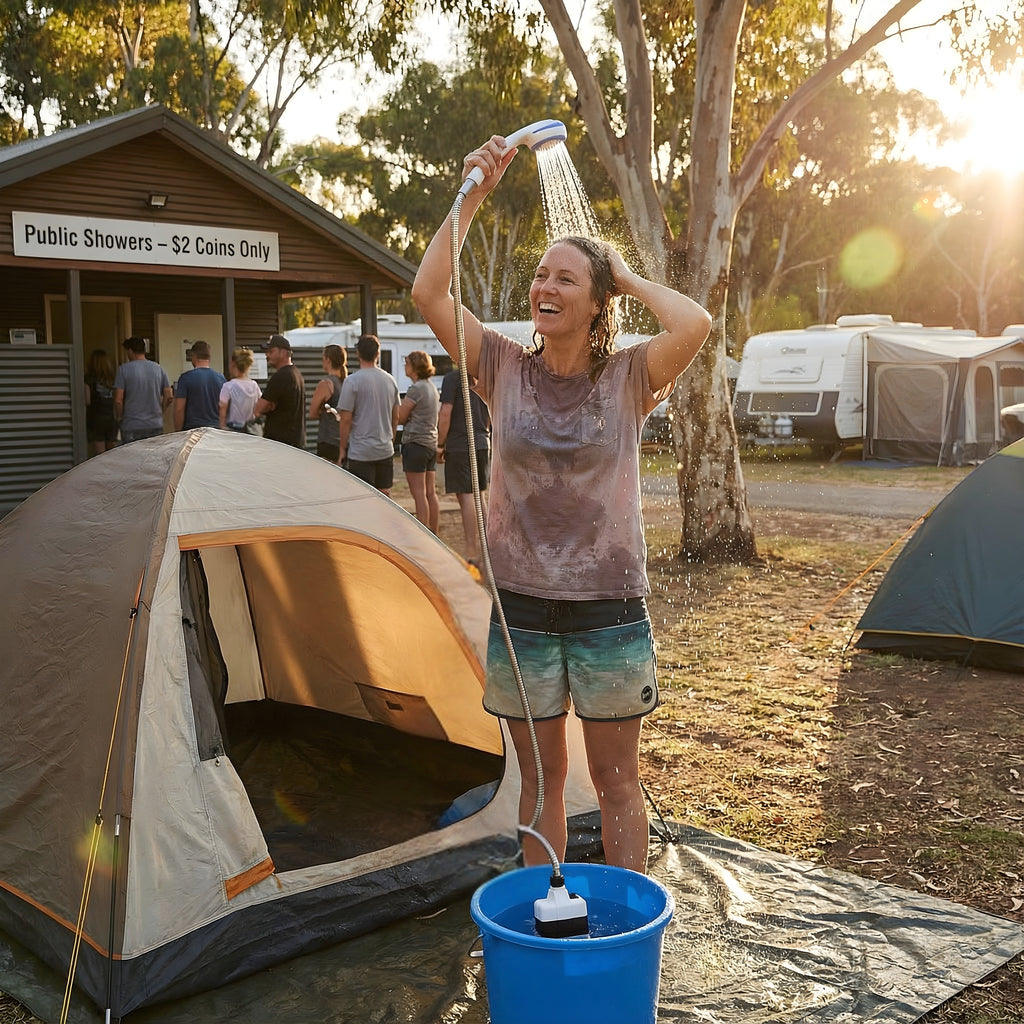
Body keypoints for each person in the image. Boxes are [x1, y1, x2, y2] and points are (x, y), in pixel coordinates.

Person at [410, 134, 712, 873]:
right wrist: (473, 195)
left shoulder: (631, 375)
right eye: (541, 275)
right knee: (541, 781)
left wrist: (629, 275)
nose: (546, 286)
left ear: (596, 299)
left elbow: (696, 325)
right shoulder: (501, 367)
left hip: (608, 606)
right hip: (522, 609)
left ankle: (625, 926)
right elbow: (427, 294)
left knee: (616, 784)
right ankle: (545, 920)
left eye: (567, 278)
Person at [437, 367, 491, 564]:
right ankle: (489, 548)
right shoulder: (483, 377)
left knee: (467, 495)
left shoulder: (452, 379)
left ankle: (471, 553)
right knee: (479, 495)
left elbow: (445, 414)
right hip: (482, 442)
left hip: (461, 444)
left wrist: (440, 444)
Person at [336, 334, 400, 495]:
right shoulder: (390, 380)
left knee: (364, 497)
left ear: (358, 353)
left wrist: (342, 449)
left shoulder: (352, 381)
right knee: (385, 494)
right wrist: (390, 439)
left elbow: (345, 419)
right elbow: (396, 415)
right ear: (378, 353)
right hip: (385, 448)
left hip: (361, 451)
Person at [397, 350, 441, 532]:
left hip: (415, 443)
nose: (405, 367)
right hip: (430, 443)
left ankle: (424, 534)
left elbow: (400, 417)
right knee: (431, 493)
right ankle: (434, 532)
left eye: (407, 363)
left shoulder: (415, 389)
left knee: (419, 494)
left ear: (414, 367)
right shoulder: (431, 387)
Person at [114, 336, 173, 443]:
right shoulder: (158, 368)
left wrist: (120, 417)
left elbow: (118, 400)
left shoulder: (123, 369)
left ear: (130, 351)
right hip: (155, 424)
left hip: (131, 424)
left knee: (132, 458)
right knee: (153, 458)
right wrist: (160, 411)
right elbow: (169, 396)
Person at [254, 334, 306, 448]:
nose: (267, 355)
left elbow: (258, 409)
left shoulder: (281, 376)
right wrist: (270, 405)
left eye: (271, 351)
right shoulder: (297, 374)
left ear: (283, 352)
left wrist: (269, 406)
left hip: (281, 444)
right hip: (295, 442)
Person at [174, 340, 226, 431]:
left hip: (192, 429)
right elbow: (224, 408)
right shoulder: (221, 379)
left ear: (194, 356)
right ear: (209, 357)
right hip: (215, 429)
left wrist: (177, 431)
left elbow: (179, 409)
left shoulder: (186, 378)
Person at [309, 343, 348, 462]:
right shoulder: (347, 383)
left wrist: (322, 411)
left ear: (328, 360)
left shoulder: (326, 384)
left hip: (328, 440)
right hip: (345, 440)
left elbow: (312, 413)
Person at [219, 347, 262, 431]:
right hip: (250, 429)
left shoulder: (228, 386)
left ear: (233, 364)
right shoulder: (254, 385)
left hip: (233, 428)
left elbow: (222, 408)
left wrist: (222, 426)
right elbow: (260, 406)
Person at [84, 349, 118, 456]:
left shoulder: (88, 379)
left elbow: (87, 400)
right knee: (112, 454)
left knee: (100, 457)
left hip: (96, 419)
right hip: (112, 418)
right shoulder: (113, 379)